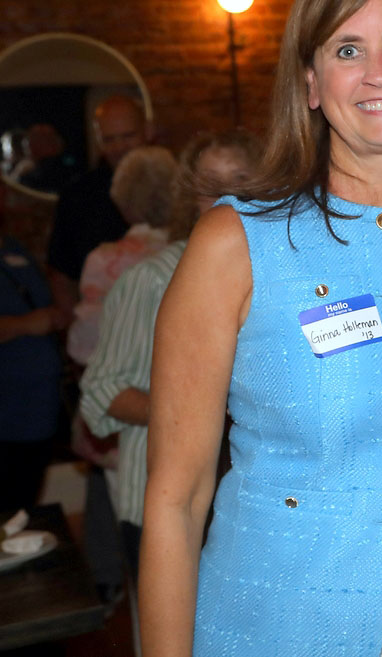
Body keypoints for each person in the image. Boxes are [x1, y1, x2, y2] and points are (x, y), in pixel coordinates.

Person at [140, 0, 382, 656]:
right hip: (271, 628)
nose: (379, 72)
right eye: (347, 49)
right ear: (310, 82)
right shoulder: (235, 244)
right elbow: (174, 505)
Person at [80, 130, 261, 577]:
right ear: (191, 194)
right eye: (209, 182)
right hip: (165, 504)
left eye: (239, 178)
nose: (224, 194)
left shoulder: (288, 278)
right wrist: (203, 413)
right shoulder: (154, 279)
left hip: (257, 510)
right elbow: (100, 391)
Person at [67, 145, 176, 365]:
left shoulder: (103, 260)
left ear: (123, 202)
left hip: (121, 385)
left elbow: (84, 344)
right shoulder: (193, 253)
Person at [46, 95, 148, 318]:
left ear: (147, 131)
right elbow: (62, 274)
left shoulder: (174, 184)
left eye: (128, 136)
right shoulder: (77, 196)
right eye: (109, 139)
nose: (119, 147)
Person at [0, 179, 67, 510]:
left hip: (37, 411)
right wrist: (28, 324)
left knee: (22, 507)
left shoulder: (13, 248)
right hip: (7, 412)